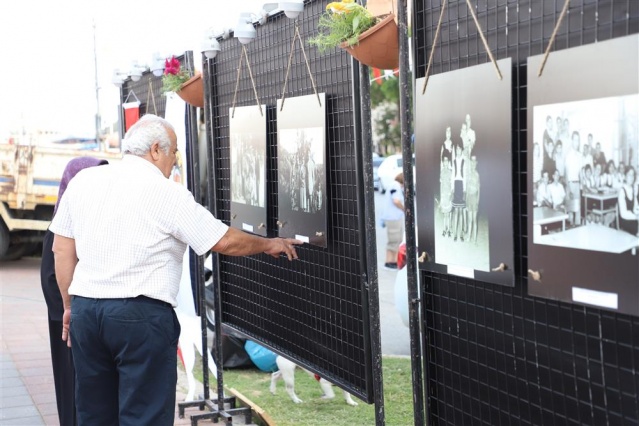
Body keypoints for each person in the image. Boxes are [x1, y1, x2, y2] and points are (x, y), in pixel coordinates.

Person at [49, 114, 302, 426]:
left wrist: (69, 305)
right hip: (140, 316)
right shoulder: (167, 192)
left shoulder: (84, 181)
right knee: (144, 416)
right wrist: (268, 244)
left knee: (94, 415)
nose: (175, 161)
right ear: (156, 150)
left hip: (87, 312)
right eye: (174, 152)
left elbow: (61, 249)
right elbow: (222, 240)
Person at [40, 157, 108, 426]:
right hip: (69, 322)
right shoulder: (60, 228)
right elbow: (51, 279)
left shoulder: (93, 221)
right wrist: (72, 309)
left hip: (87, 319)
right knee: (74, 386)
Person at [381, 172, 405, 269]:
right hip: (393, 218)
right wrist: (404, 208)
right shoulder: (396, 186)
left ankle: (393, 261)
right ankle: (390, 262)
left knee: (396, 240)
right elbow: (396, 200)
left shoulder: (394, 185)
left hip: (393, 217)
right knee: (394, 241)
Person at [451, 143, 466, 241]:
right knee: (456, 211)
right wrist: (452, 188)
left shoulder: (464, 161)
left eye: (459, 149)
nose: (458, 151)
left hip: (461, 185)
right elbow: (453, 175)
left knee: (461, 212)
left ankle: (461, 234)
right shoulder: (454, 161)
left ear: (461, 151)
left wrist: (464, 189)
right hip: (456, 185)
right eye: (457, 150)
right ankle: (455, 234)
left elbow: (465, 177)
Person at [618, 166, 638, 236]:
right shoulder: (622, 191)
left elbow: (635, 208)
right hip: (625, 222)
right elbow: (623, 214)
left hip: (633, 220)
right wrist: (636, 217)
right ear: (625, 176)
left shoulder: (633, 190)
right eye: (629, 175)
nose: (631, 177)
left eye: (633, 175)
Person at [465, 155, 480, 243]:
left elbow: (479, 188)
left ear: (476, 164)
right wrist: (466, 199)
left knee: (474, 220)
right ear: (470, 163)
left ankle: (474, 239)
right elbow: (467, 188)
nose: (473, 164)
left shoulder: (477, 175)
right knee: (469, 219)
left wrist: (478, 200)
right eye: (472, 162)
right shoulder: (468, 174)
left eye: (474, 162)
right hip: (469, 198)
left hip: (474, 198)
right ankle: (468, 237)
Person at [439, 155, 453, 237]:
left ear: (448, 162)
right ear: (443, 163)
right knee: (445, 214)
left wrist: (451, 194)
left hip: (448, 194)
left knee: (449, 213)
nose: (446, 162)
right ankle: (444, 229)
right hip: (443, 194)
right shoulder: (441, 172)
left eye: (447, 160)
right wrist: (441, 195)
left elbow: (452, 184)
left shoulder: (450, 172)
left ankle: (449, 230)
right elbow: (441, 185)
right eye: (444, 161)